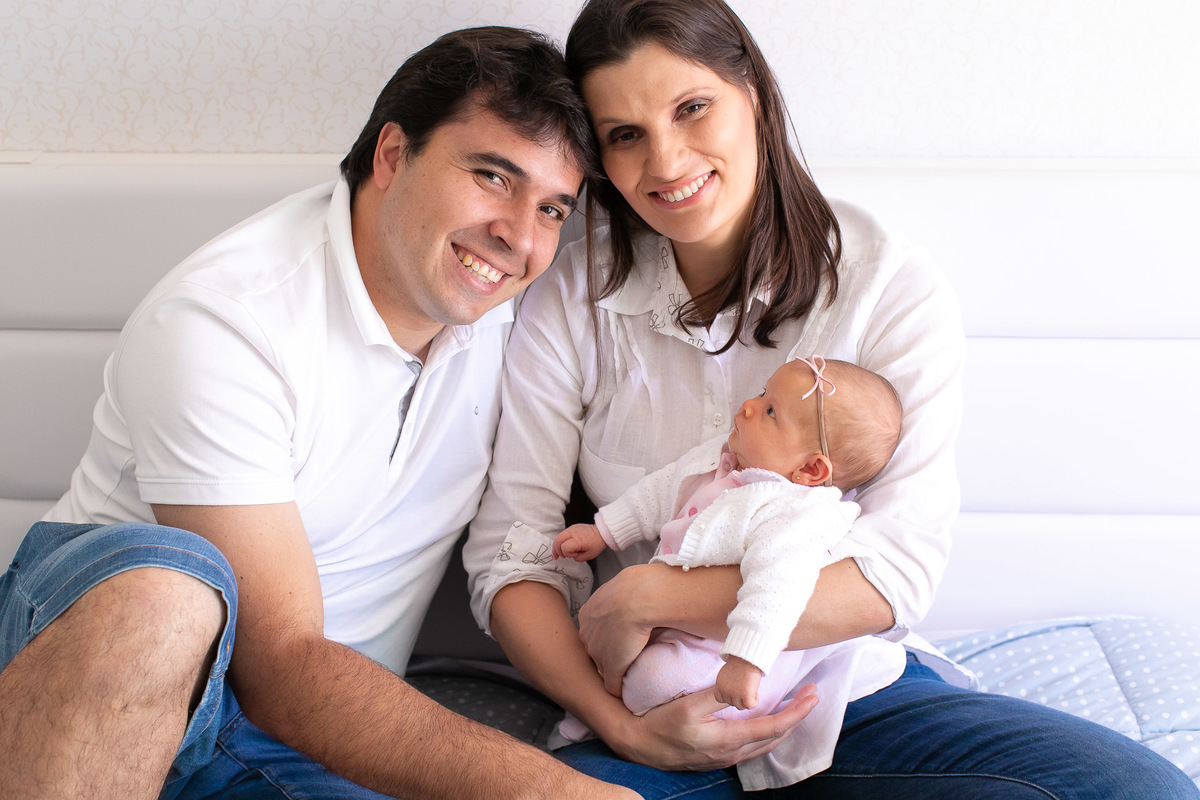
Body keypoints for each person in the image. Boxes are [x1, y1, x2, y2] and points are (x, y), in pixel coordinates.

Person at [463, 0, 1200, 797]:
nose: (667, 161)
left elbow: (896, 570)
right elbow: (514, 553)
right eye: (626, 135)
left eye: (692, 108)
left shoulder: (887, 286)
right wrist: (619, 726)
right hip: (649, 705)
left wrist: (652, 595)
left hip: (846, 693)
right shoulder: (570, 296)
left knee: (1135, 789)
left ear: (755, 96)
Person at [0, 26, 639, 800]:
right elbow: (281, 661)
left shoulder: (518, 312)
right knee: (167, 591)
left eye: (550, 208)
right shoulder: (228, 322)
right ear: (393, 155)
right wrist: (555, 792)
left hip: (289, 740)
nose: (516, 235)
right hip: (104, 670)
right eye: (492, 177)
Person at [539, 356, 907, 789]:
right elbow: (660, 492)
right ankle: (604, 717)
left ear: (811, 469)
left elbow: (776, 592)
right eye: (762, 394)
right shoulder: (724, 460)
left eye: (771, 412)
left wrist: (746, 660)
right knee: (604, 655)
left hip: (725, 650)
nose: (749, 405)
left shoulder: (795, 515)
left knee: (653, 682)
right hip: (668, 624)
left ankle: (651, 714)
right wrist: (605, 531)